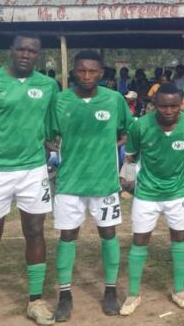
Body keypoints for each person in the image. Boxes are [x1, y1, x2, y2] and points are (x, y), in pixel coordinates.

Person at [0, 34, 59, 326]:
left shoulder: (48, 85)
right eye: (21, 49)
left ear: (39, 55)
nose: (26, 55)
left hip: (33, 171)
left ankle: (35, 302)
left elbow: (52, 126)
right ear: (11, 51)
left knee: (35, 232)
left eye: (32, 51)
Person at [47, 51, 134, 320]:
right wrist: (61, 150)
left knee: (108, 234)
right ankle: (64, 295)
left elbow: (128, 131)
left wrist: (111, 146)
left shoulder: (114, 99)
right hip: (69, 183)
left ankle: (110, 291)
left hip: (104, 182)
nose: (86, 76)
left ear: (101, 73)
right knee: (67, 236)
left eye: (92, 71)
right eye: (81, 71)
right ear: (72, 71)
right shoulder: (60, 101)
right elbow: (48, 135)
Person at [119, 83, 184, 316]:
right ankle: (133, 294)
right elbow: (132, 157)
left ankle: (179, 291)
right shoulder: (141, 126)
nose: (168, 110)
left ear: (181, 104)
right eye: (162, 106)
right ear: (154, 105)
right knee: (140, 240)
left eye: (174, 106)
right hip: (147, 193)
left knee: (179, 238)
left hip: (178, 193)